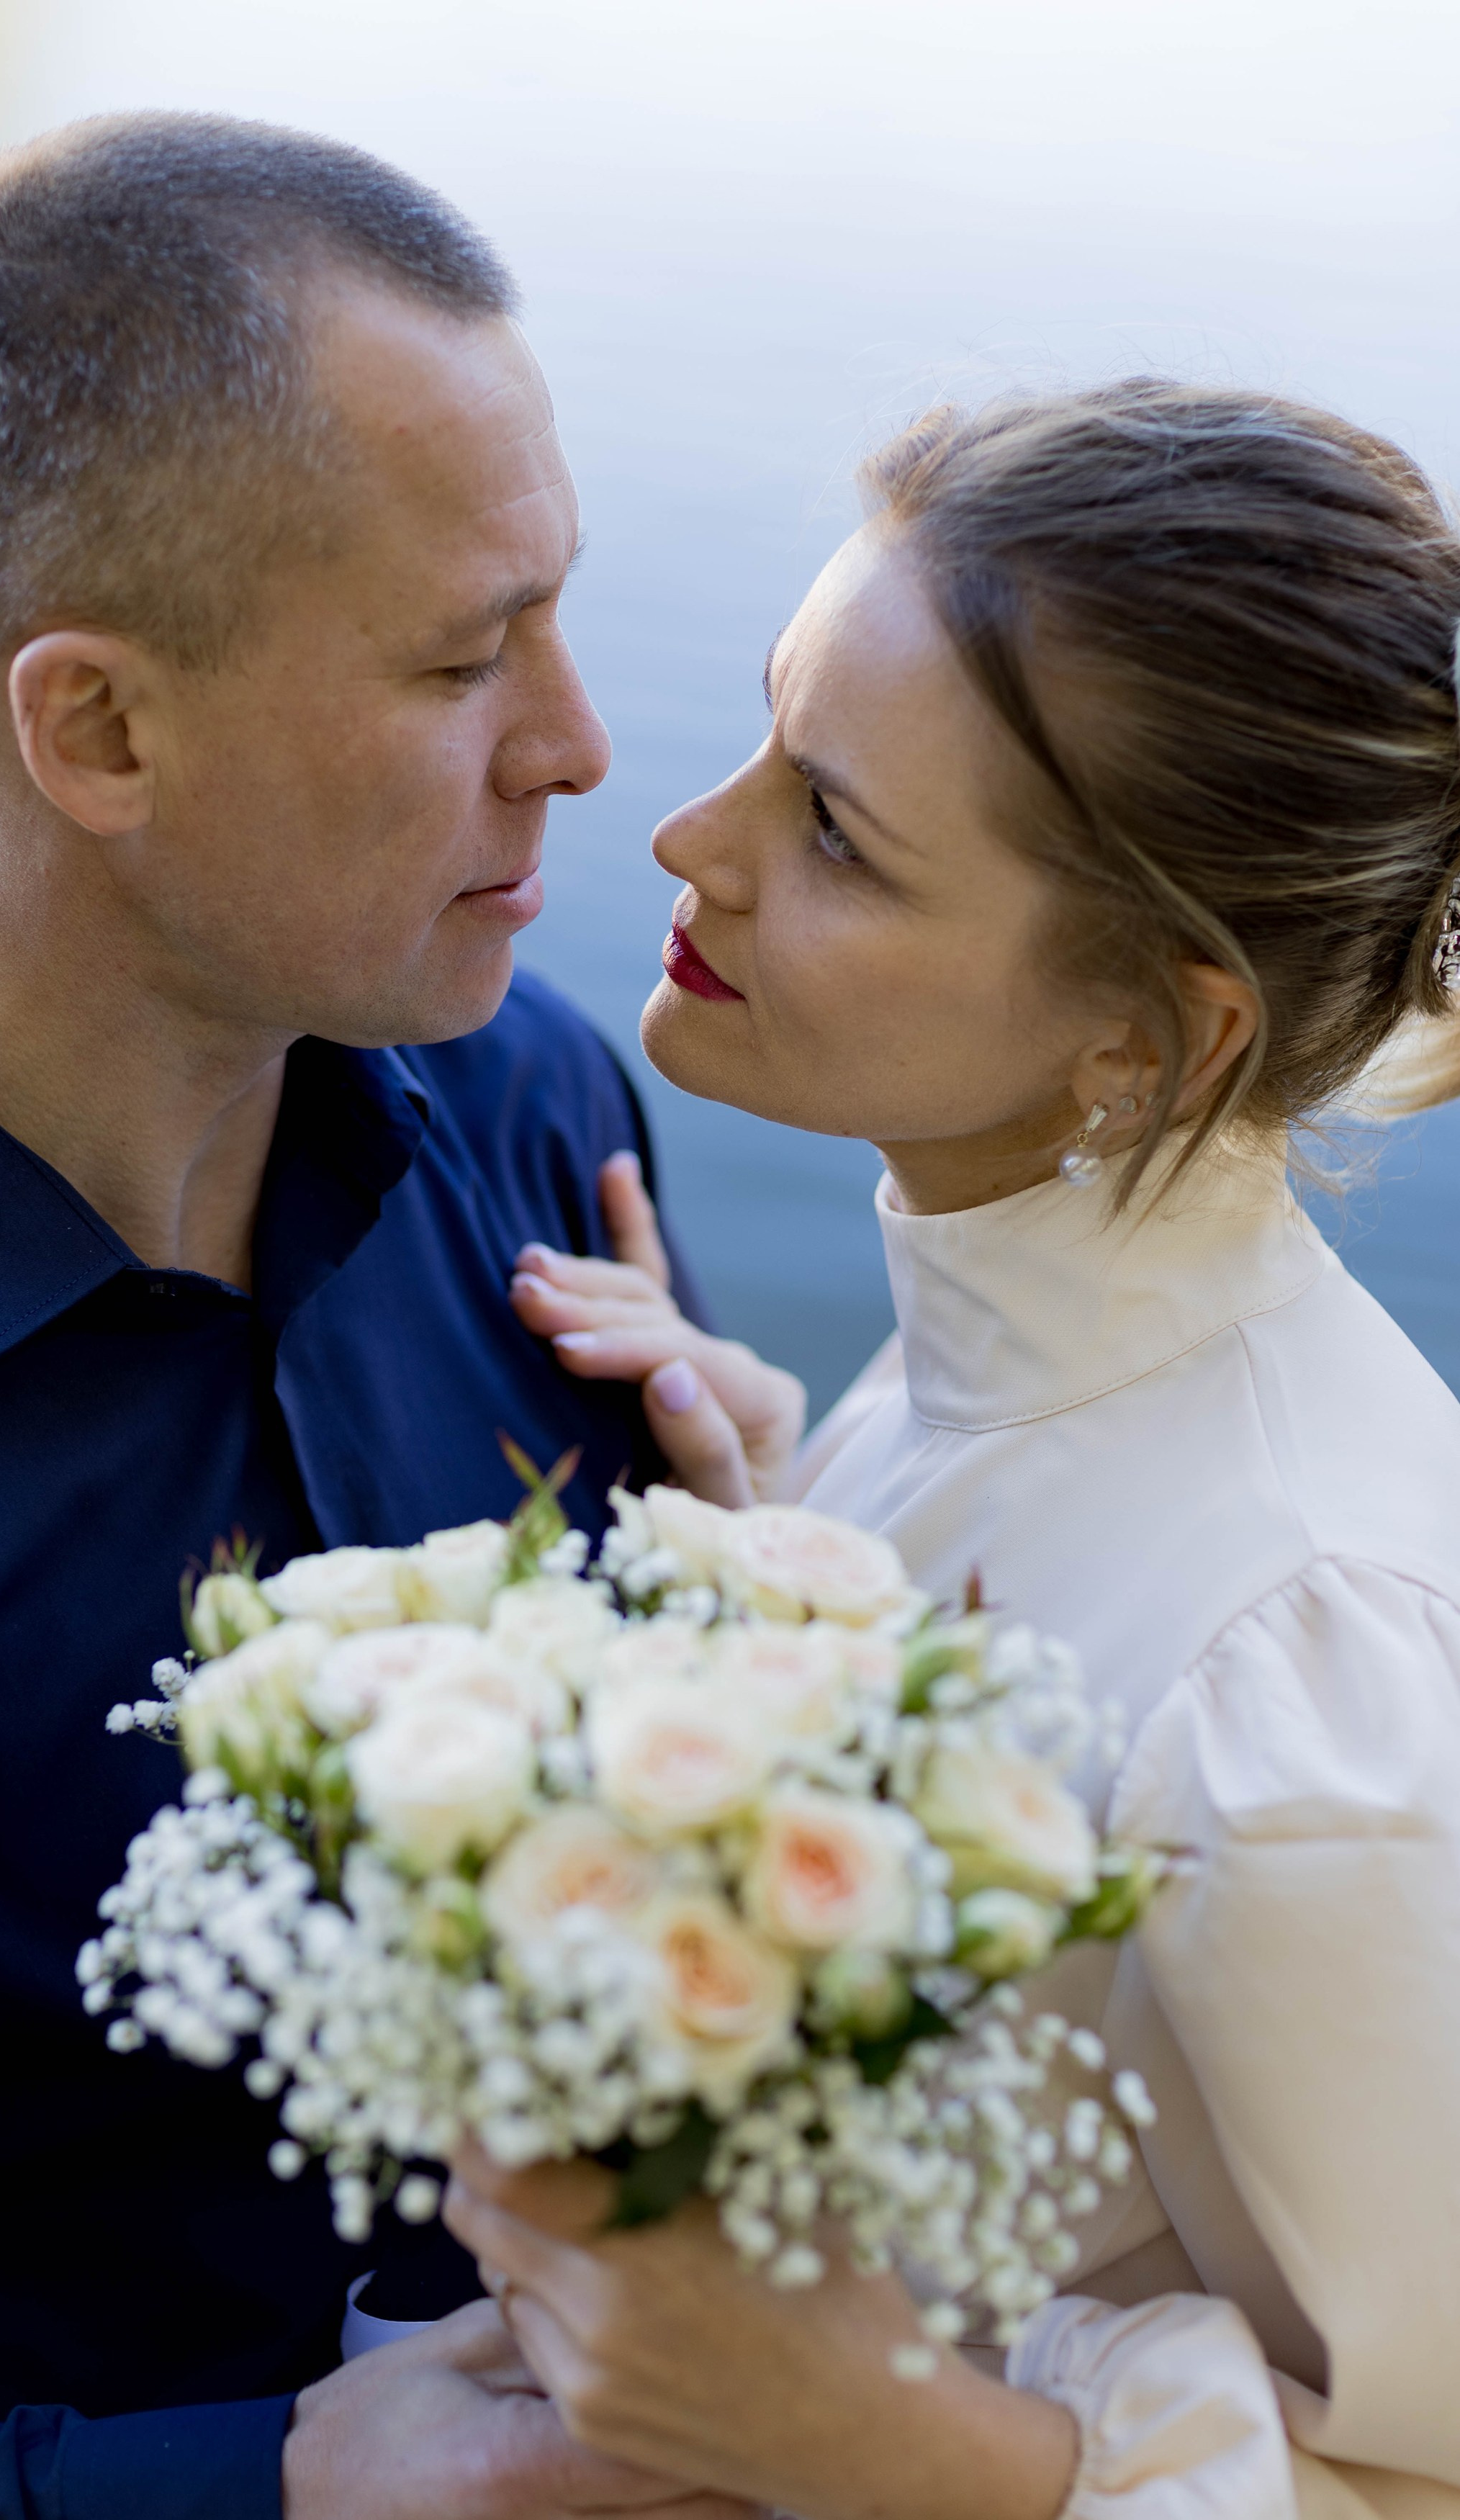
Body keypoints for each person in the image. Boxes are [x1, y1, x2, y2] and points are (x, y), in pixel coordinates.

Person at [0, 111, 755, 2520]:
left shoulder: (529, 1095)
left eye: (552, 604)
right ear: (95, 728)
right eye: (461, 655)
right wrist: (267, 2492)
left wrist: (777, 1598)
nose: (580, 743)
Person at [475, 382, 1460, 2518]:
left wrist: (895, 2444)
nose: (686, 839)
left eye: (833, 829)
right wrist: (778, 1531)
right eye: (762, 724)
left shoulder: (1315, 1674)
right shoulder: (978, 1353)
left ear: (1152, 1033)